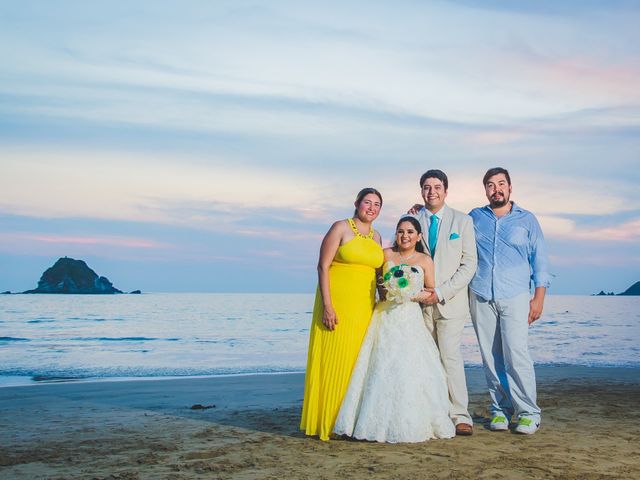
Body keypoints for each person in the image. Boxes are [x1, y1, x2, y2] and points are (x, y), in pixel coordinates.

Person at [334, 217, 455, 443]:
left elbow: (431, 292)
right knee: (380, 365)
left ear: (418, 236)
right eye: (400, 231)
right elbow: (376, 282)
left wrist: (410, 293)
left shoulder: (425, 260)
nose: (405, 236)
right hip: (385, 316)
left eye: (410, 231)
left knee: (409, 366)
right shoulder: (386, 255)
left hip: (410, 317)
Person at [469, 167, 552, 435]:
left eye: (501, 184)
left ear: (510, 187)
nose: (497, 189)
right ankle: (500, 410)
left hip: (515, 295)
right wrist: (420, 213)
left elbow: (539, 260)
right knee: (491, 358)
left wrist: (538, 298)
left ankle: (529, 412)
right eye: (491, 185)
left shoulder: (527, 220)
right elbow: (448, 232)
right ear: (485, 190)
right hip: (481, 294)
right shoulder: (474, 217)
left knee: (516, 355)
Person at [300, 188, 385, 441]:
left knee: (357, 364)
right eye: (367, 202)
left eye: (377, 204)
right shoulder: (340, 227)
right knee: (335, 360)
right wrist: (327, 306)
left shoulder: (378, 236)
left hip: (364, 307)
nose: (371, 208)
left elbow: (379, 274)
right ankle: (327, 421)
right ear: (357, 203)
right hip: (337, 304)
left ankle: (349, 421)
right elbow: (323, 266)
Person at [409, 169, 477, 436]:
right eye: (427, 187)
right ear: (421, 191)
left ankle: (461, 415)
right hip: (419, 305)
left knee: (450, 358)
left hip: (450, 303)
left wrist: (442, 291)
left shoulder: (462, 221)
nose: (432, 191)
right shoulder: (414, 219)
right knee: (427, 359)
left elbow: (469, 264)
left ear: (446, 191)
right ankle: (433, 411)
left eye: (437, 187)